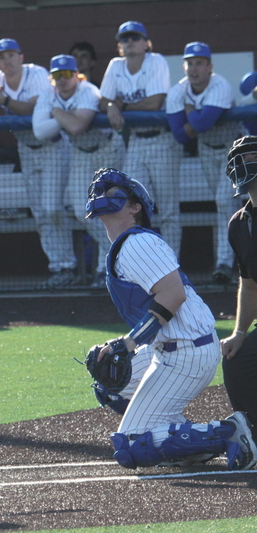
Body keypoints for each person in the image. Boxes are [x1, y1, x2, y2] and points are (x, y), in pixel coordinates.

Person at [85, 167, 256, 471]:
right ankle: (186, 443)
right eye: (102, 193)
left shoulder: (136, 243)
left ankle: (230, 432)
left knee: (133, 444)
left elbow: (172, 296)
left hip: (186, 351)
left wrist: (127, 343)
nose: (104, 196)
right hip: (169, 347)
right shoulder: (128, 244)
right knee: (110, 380)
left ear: (135, 207)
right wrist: (122, 347)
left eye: (114, 194)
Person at [33, 54, 124, 288]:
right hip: (80, 154)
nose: (62, 79)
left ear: (76, 75)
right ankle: (115, 251)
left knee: (109, 209)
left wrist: (55, 113)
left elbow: (76, 126)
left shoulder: (88, 91)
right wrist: (62, 115)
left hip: (107, 150)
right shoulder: (48, 94)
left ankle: (107, 269)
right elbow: (39, 132)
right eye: (57, 75)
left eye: (66, 74)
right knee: (79, 209)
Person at [98, 21, 181, 274]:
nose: (130, 42)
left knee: (167, 209)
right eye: (125, 39)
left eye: (135, 38)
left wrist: (121, 106)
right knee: (132, 204)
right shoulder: (115, 65)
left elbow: (155, 103)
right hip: (135, 141)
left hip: (162, 140)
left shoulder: (156, 61)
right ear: (119, 45)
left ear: (146, 43)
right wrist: (112, 106)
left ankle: (173, 265)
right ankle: (140, 264)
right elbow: (103, 101)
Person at [0, 38, 55, 281]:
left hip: (54, 146)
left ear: (21, 57)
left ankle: (76, 265)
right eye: (1, 57)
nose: (6, 60)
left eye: (11, 55)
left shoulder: (37, 74)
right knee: (41, 213)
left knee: (54, 210)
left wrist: (4, 101)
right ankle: (60, 267)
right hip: (26, 148)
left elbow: (34, 109)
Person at [167, 42, 245, 285]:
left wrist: (190, 110)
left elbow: (200, 126)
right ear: (184, 66)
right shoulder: (179, 90)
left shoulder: (219, 84)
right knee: (224, 208)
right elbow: (179, 135)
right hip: (206, 152)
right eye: (190, 63)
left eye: (199, 63)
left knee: (225, 204)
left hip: (233, 151)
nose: (194, 68)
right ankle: (230, 260)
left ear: (209, 66)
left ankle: (224, 262)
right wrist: (195, 115)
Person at [219, 136, 257, 439]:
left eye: (250, 157)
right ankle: (252, 435)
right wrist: (240, 333)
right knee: (237, 359)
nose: (242, 164)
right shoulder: (240, 224)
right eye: (238, 159)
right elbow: (249, 285)